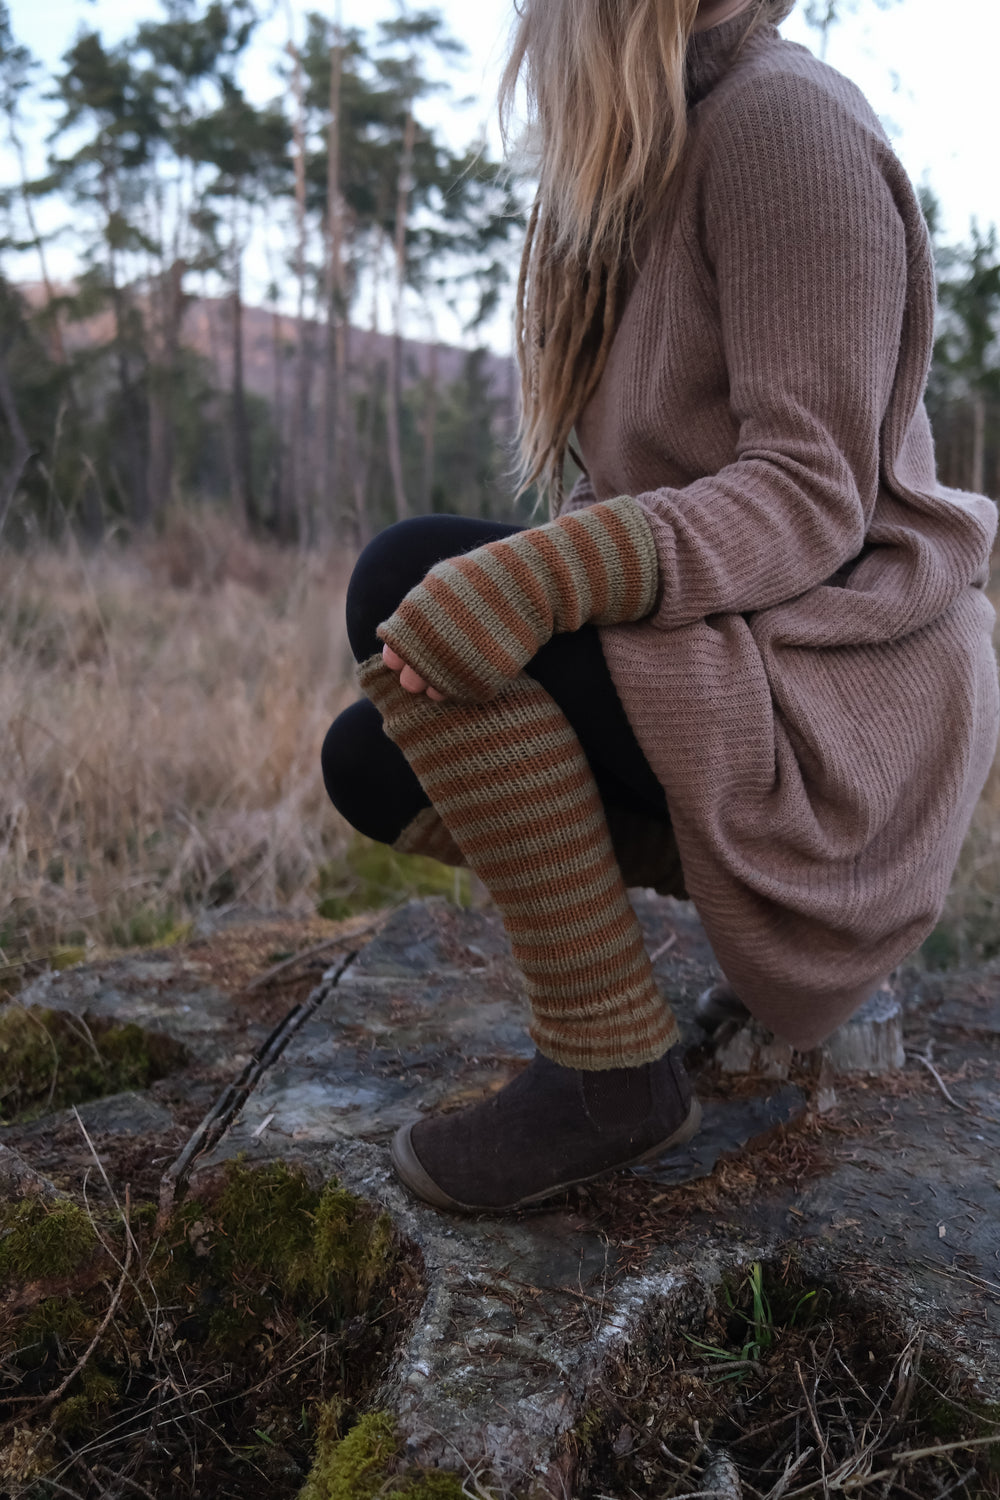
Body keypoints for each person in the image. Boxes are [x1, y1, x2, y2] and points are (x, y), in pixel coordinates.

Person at [321, 0, 999, 1213]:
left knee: (402, 576)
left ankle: (610, 1076)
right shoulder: (658, 151)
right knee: (373, 759)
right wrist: (534, 572)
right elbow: (644, 476)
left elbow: (811, 493)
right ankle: (652, 1007)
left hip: (844, 681)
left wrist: (538, 576)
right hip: (739, 642)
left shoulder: (785, 124)